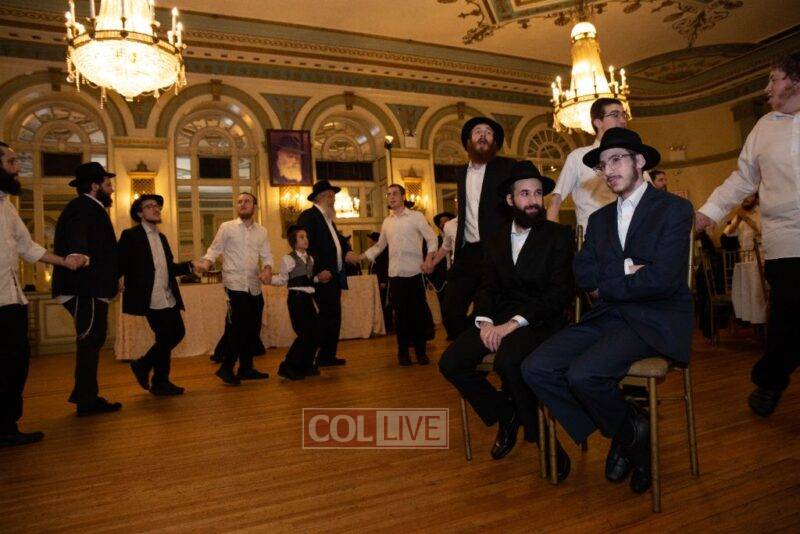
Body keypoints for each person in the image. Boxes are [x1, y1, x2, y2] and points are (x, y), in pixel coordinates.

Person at [522, 127, 694, 493]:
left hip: (654, 318)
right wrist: (630, 269)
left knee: (583, 375)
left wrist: (610, 280)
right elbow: (583, 275)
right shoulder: (599, 219)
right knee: (536, 367)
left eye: (616, 160)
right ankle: (630, 433)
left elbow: (663, 279)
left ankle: (626, 437)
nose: (609, 170)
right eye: (602, 165)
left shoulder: (674, 209)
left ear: (639, 161)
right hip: (608, 316)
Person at [438, 160, 573, 479]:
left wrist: (512, 324)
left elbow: (560, 293)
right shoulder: (496, 238)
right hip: (497, 318)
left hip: (540, 320)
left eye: (537, 193)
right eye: (525, 194)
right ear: (510, 200)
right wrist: (485, 322)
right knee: (451, 362)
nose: (533, 200)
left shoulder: (558, 236)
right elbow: (487, 286)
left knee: (509, 362)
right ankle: (506, 412)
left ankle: (544, 440)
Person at [695, 53, 800, 418]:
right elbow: (741, 180)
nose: (767, 88)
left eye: (773, 79)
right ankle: (770, 380)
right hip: (786, 241)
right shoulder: (763, 128)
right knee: (789, 316)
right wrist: (706, 213)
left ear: (795, 81)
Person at [0, 141, 83, 445]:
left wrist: (65, 261)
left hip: (11, 300)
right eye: (11, 162)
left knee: (15, 365)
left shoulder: (7, 206)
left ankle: (7, 426)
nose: (17, 168)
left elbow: (28, 247)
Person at [52, 162, 122, 416]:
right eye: (108, 184)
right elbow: (77, 238)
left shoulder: (91, 207)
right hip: (86, 288)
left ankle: (86, 396)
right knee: (90, 342)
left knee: (92, 340)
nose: (112, 189)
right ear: (95, 186)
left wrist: (114, 277)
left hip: (91, 287)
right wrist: (77, 253)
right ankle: (86, 400)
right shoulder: (83, 207)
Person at [118, 194, 200, 396]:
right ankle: (153, 374)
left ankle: (152, 373)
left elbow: (169, 268)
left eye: (157, 206)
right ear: (140, 213)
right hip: (150, 297)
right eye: (149, 206)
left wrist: (190, 265)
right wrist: (117, 279)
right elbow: (119, 262)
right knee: (168, 336)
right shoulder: (131, 235)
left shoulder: (161, 237)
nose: (156, 209)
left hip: (167, 294)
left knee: (172, 335)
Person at [443, 117, 515, 340]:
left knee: (491, 306)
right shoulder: (461, 172)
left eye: (488, 132)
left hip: (497, 249)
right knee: (451, 309)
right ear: (468, 142)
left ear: (495, 142)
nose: (483, 135)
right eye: (477, 131)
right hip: (468, 251)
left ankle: (482, 347)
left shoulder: (507, 168)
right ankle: (470, 342)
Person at [196, 192, 273, 386]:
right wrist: (206, 263)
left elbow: (267, 256)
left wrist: (267, 269)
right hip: (234, 285)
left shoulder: (262, 231)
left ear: (254, 206)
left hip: (254, 286)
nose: (242, 204)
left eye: (247, 201)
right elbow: (214, 249)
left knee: (253, 328)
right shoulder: (227, 227)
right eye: (239, 202)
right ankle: (226, 368)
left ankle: (246, 368)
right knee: (238, 327)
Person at [359, 184, 437, 365]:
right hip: (395, 276)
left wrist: (429, 259)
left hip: (415, 274)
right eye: (388, 194)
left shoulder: (416, 217)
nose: (391, 197)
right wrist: (361, 257)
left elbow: (432, 238)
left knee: (418, 315)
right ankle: (403, 353)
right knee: (400, 317)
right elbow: (380, 246)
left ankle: (421, 352)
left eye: (395, 193)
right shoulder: (387, 222)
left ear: (403, 196)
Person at [296, 180, 360, 367]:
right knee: (325, 317)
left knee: (333, 316)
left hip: (333, 277)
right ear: (319, 198)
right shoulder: (309, 216)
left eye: (333, 196)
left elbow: (338, 241)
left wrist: (347, 251)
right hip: (321, 277)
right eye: (330, 196)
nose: (333, 200)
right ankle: (311, 357)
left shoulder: (328, 219)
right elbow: (304, 246)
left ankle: (327, 356)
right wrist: (317, 271)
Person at [546, 97, 630, 230]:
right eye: (615, 115)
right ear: (598, 122)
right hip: (592, 237)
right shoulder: (578, 157)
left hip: (630, 236)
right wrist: (554, 240)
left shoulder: (632, 156)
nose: (623, 121)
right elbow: (555, 203)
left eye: (624, 115)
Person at [269, 225, 321, 380]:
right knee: (304, 334)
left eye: (306, 237)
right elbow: (283, 279)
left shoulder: (311, 258)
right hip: (297, 299)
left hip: (308, 299)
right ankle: (287, 367)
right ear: (293, 241)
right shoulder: (288, 259)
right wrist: (269, 279)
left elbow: (308, 280)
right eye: (301, 237)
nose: (306, 240)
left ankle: (306, 366)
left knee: (315, 333)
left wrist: (319, 278)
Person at [429, 211, 455, 319]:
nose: (444, 224)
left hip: (455, 277)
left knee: (455, 305)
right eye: (442, 222)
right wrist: (431, 280)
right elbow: (430, 259)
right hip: (440, 280)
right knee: (443, 307)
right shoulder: (435, 241)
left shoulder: (456, 238)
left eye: (447, 221)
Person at [367, 231, 393, 332]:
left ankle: (388, 326)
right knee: (380, 304)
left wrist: (383, 281)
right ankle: (383, 325)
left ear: (375, 241)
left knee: (385, 303)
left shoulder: (383, 252)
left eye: (370, 240)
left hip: (382, 282)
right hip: (375, 282)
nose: (369, 242)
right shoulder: (375, 252)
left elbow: (385, 267)